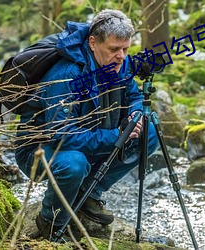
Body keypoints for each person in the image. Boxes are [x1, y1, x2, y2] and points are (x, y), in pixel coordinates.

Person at [15, 9, 159, 241]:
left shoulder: (117, 63)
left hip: (90, 136)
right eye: (114, 49)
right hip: (41, 150)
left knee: (149, 132)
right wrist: (116, 135)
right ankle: (50, 221)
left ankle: (89, 193)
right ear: (93, 43)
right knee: (74, 164)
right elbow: (61, 136)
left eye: (126, 49)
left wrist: (135, 114)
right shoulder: (66, 75)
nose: (121, 56)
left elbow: (133, 95)